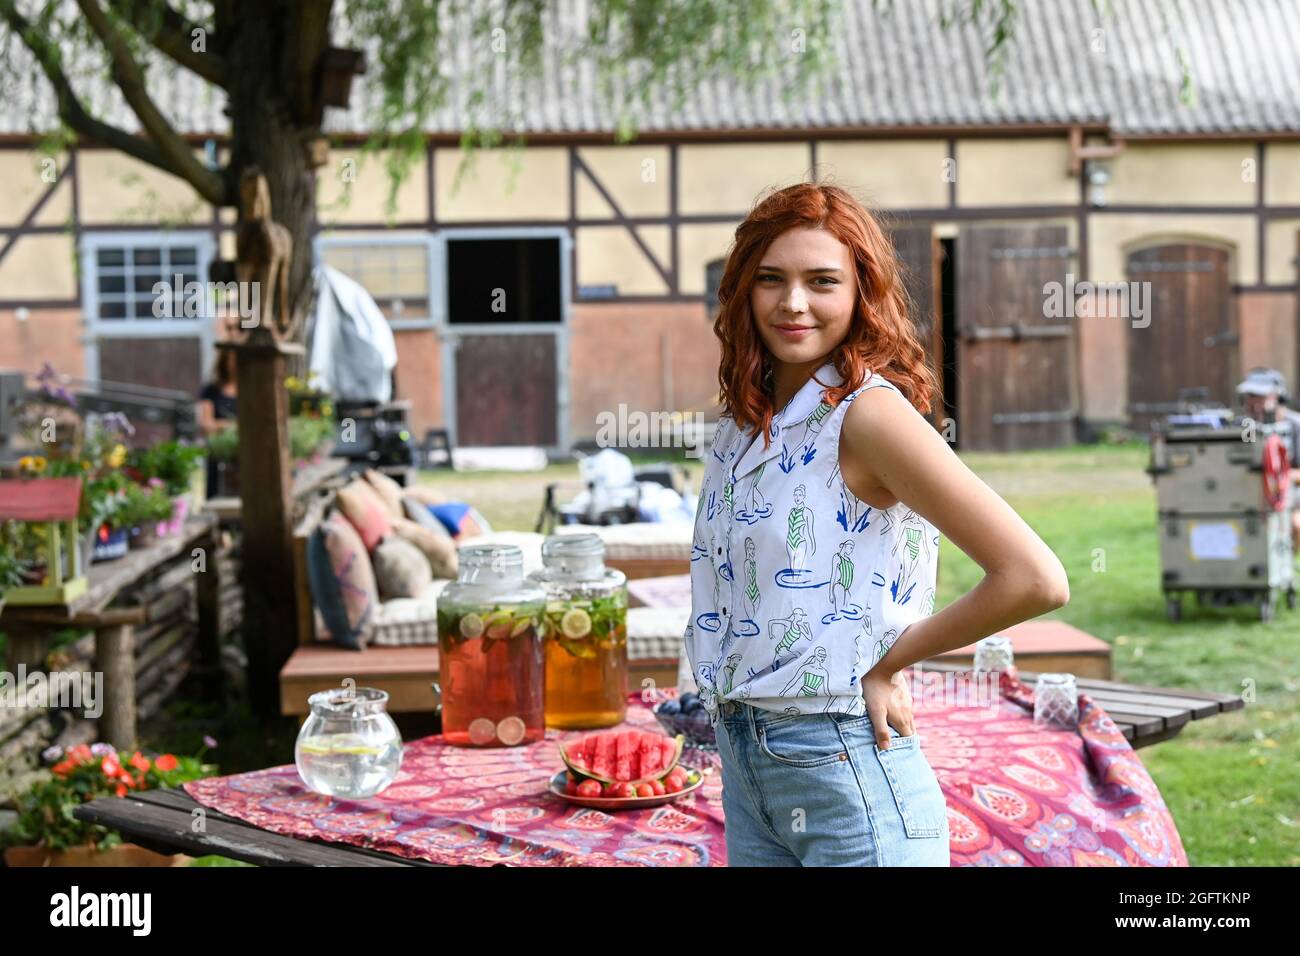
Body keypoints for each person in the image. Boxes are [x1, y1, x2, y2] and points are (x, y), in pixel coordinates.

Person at [685, 182, 1069, 867]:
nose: (793, 302)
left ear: (860, 293)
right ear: (742, 289)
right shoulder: (743, 425)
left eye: (822, 281)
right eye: (771, 279)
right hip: (746, 763)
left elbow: (1033, 578)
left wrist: (890, 662)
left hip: (846, 768)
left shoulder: (867, 416)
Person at [1236, 367, 1300, 550]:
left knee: (1296, 524)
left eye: (1259, 395)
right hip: (1249, 495)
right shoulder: (1245, 427)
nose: (1253, 402)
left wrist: (1276, 475)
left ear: (1278, 397)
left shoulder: (1295, 425)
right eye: (1249, 395)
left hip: (1289, 496)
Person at [198, 345, 238, 498]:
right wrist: (232, 425)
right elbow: (206, 424)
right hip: (218, 456)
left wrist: (221, 425)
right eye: (232, 359)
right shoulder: (211, 390)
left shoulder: (250, 389)